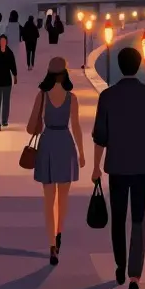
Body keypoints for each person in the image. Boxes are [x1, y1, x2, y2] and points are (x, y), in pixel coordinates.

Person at [93, 47, 145, 289]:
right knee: (139, 219)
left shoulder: (107, 96)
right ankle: (135, 276)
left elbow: (100, 136)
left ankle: (120, 266)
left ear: (119, 65)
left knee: (117, 218)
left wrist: (95, 166)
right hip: (142, 166)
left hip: (116, 165)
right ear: (137, 66)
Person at [29, 57, 84, 266]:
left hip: (48, 143)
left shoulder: (42, 96)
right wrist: (82, 153)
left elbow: (30, 126)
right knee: (63, 198)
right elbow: (76, 127)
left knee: (48, 199)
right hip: (66, 144)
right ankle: (59, 234)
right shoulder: (72, 98)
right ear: (66, 73)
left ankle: (51, 243)